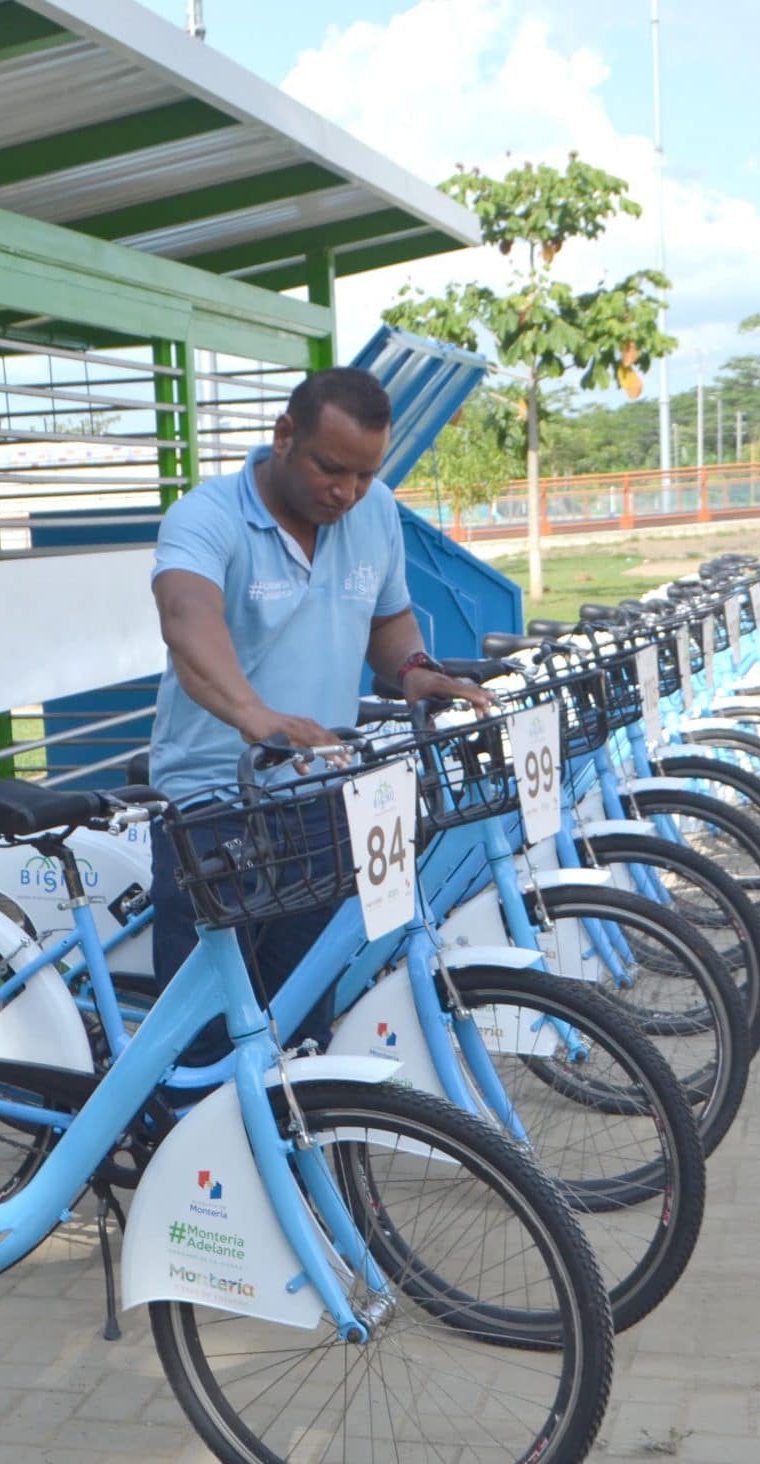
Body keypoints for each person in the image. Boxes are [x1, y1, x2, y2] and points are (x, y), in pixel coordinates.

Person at [143, 366, 494, 1017]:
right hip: (217, 802)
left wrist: (417, 667)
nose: (348, 492)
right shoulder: (205, 516)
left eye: (364, 473)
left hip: (322, 793)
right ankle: (182, 1118)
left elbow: (388, 618)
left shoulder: (377, 510)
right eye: (332, 469)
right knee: (212, 1024)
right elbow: (188, 620)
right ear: (284, 436)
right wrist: (256, 715)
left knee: (305, 1007)